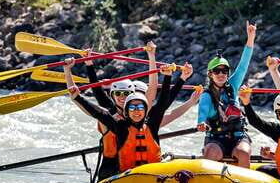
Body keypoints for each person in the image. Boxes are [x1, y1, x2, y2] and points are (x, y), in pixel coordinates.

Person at [64, 58, 193, 173]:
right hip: (115, 171)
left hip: (151, 175)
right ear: (127, 110)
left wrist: (171, 77)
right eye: (132, 107)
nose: (136, 111)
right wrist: (77, 97)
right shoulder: (119, 125)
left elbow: (163, 103)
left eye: (140, 107)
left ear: (145, 108)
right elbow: (98, 110)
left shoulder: (152, 124)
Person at [197, 21, 257, 167]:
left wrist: (250, 38)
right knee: (210, 152)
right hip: (216, 139)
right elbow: (202, 114)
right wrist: (201, 123)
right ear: (210, 74)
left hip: (238, 137)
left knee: (243, 152)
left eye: (224, 71)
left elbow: (243, 65)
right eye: (217, 71)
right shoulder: (206, 95)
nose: (221, 74)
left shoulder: (234, 85)